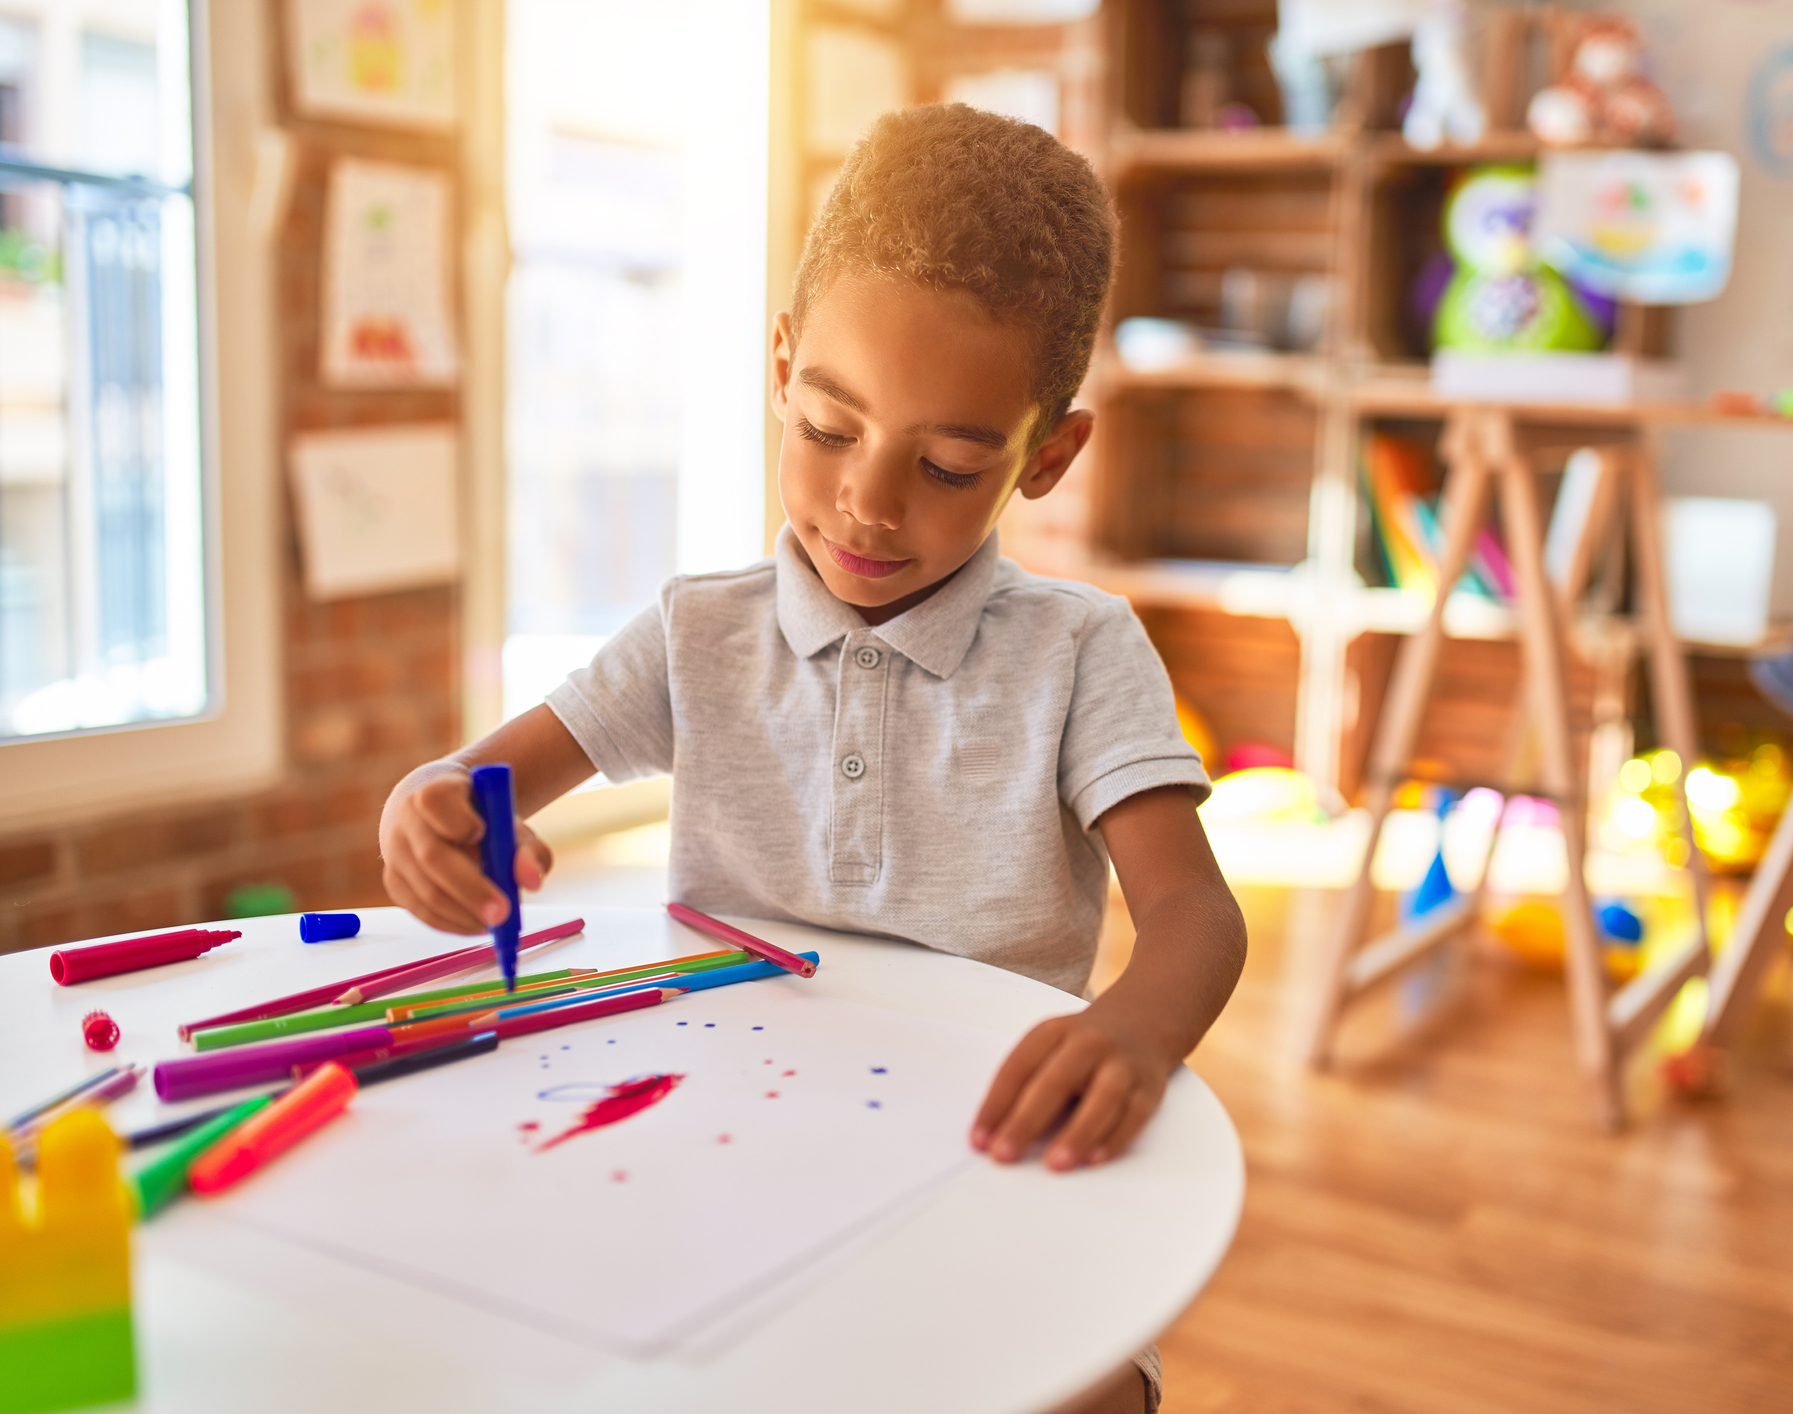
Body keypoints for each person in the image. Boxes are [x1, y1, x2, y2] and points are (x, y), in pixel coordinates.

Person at [377, 103, 1245, 1413]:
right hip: (725, 1159)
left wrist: (1131, 1028)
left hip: (984, 1158)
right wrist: (429, 809)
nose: (870, 502)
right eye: (831, 428)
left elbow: (1193, 910)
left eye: (950, 463)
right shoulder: (697, 630)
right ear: (781, 365)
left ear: (1048, 454)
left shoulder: (1082, 651)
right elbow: (474, 787)